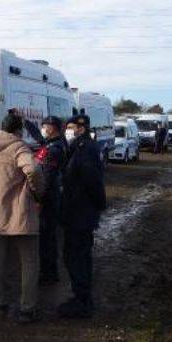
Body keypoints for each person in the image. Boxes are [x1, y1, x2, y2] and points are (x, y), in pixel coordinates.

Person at [0, 112, 44, 323]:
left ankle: (0, 302)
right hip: (19, 213)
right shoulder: (19, 147)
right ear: (19, 130)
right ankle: (27, 308)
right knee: (29, 261)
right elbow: (33, 170)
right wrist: (37, 192)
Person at [59, 114, 106, 318]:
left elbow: (93, 182)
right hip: (76, 212)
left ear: (81, 128)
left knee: (76, 256)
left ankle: (82, 302)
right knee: (76, 256)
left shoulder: (85, 149)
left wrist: (97, 206)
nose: (67, 130)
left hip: (80, 213)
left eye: (70, 127)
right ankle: (82, 298)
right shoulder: (79, 147)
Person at [37, 116, 67, 285]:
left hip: (49, 199)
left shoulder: (55, 148)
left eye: (45, 126)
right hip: (50, 197)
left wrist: (38, 199)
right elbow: (39, 140)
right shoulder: (51, 144)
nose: (43, 129)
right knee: (47, 238)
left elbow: (48, 178)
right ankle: (48, 271)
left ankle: (49, 273)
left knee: (47, 238)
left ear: (53, 128)